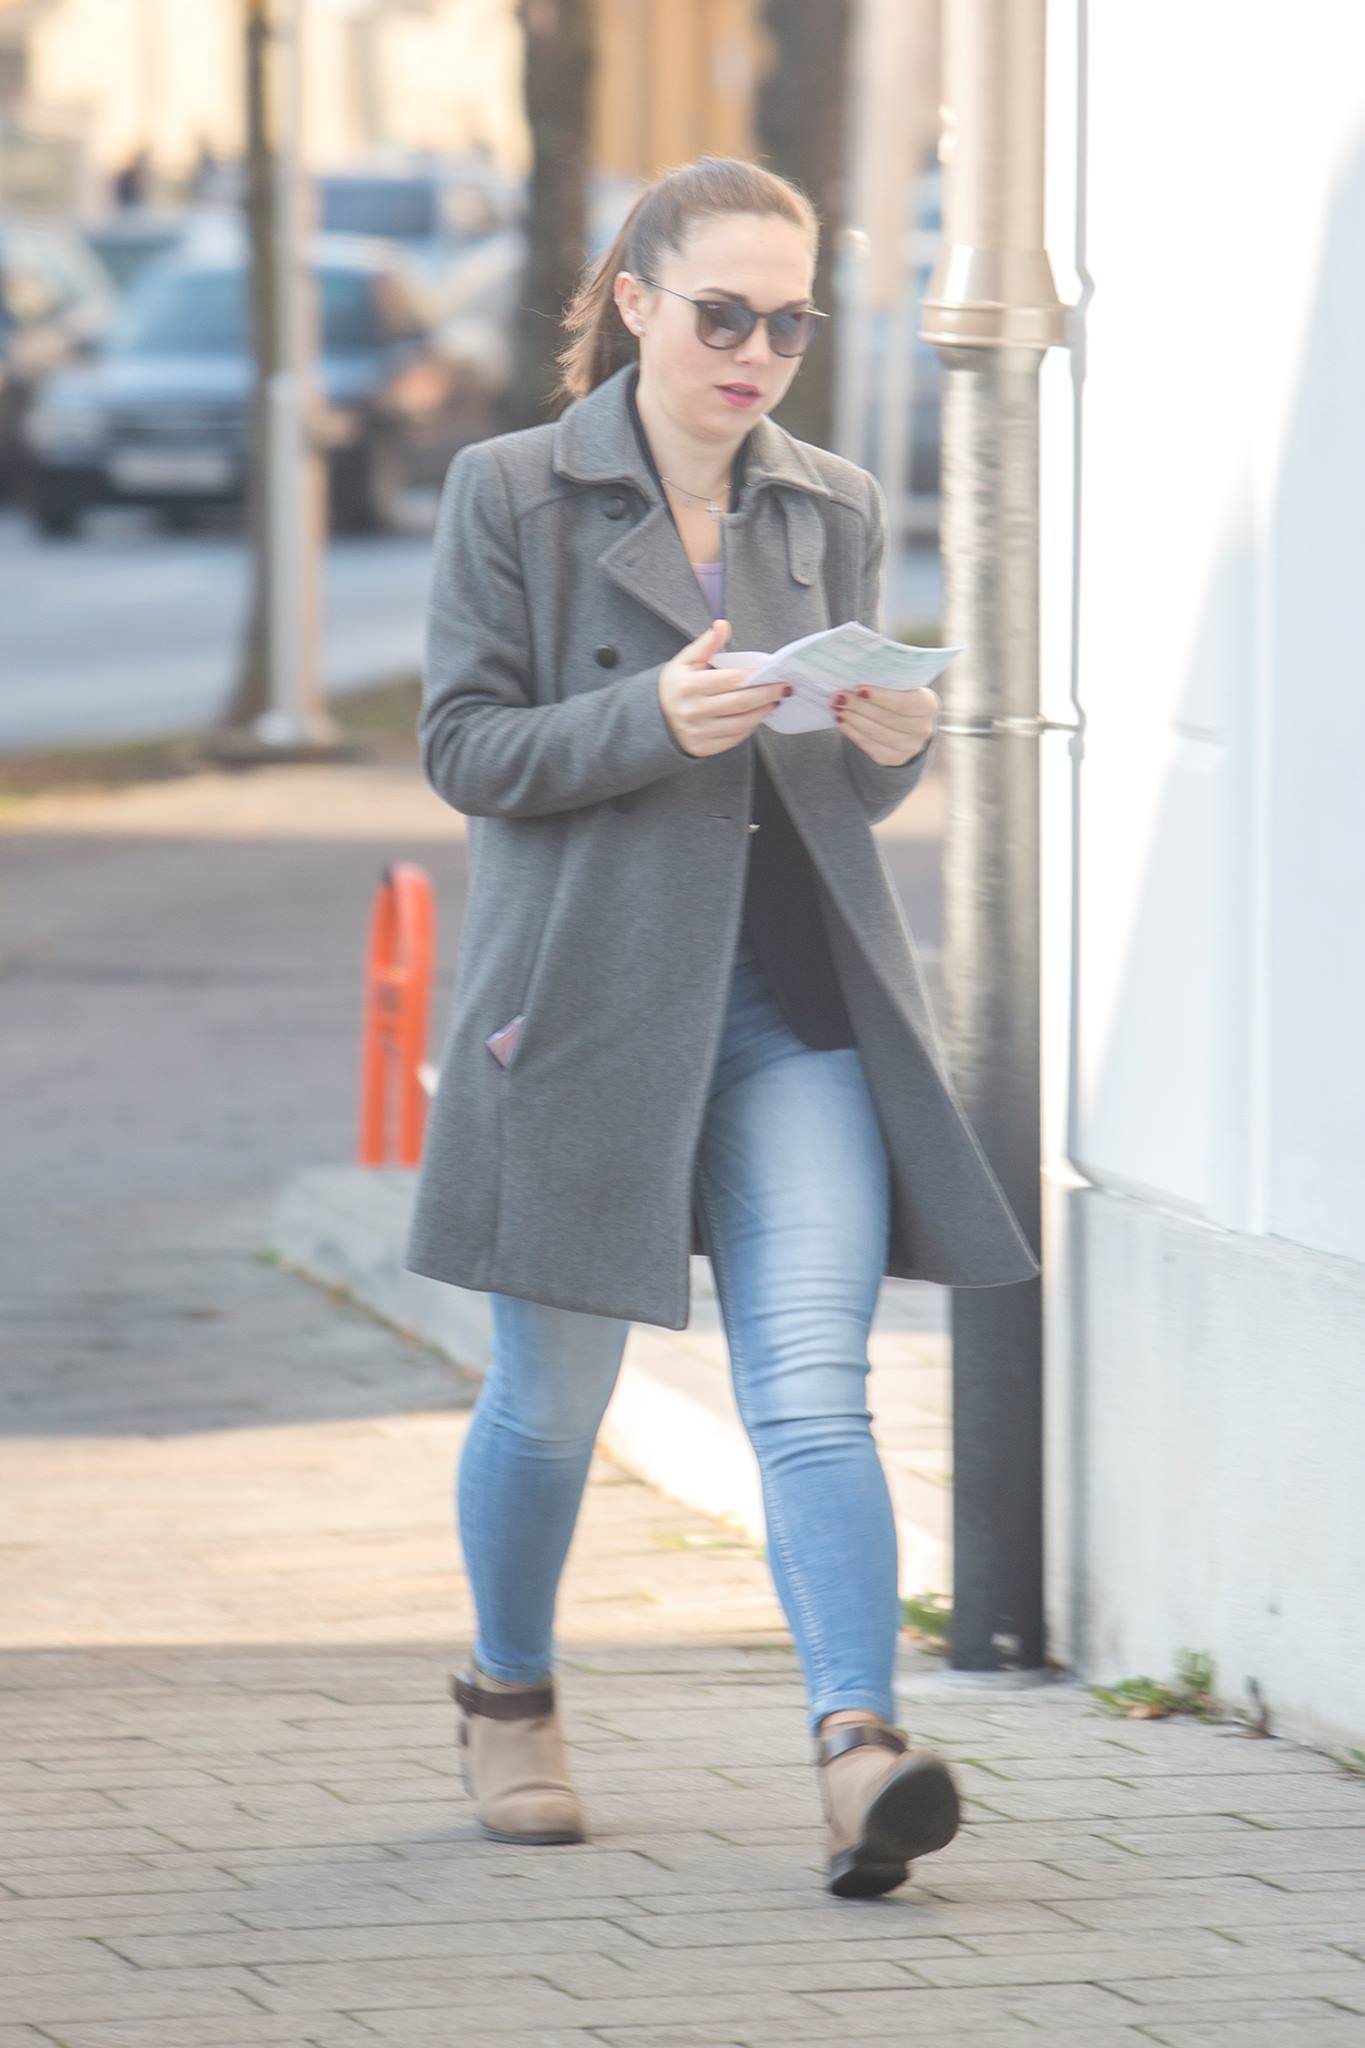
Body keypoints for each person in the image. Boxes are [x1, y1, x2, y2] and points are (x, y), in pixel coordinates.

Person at [405, 155, 1040, 1899]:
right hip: (585, 1009)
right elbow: (462, 748)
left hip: (792, 1014)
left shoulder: (829, 504)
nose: (756, 352)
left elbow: (831, 793)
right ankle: (508, 1696)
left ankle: (859, 1752)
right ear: (634, 302)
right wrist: (647, 721)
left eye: (790, 323)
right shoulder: (509, 489)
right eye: (723, 315)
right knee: (550, 1405)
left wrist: (891, 745)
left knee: (815, 1395)